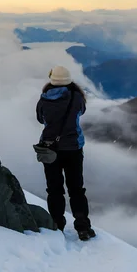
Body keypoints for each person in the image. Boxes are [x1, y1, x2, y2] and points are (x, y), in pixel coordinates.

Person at [35, 65, 96, 241]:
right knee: (76, 189)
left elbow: (40, 119)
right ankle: (83, 227)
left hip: (50, 149)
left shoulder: (44, 99)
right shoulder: (76, 97)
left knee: (54, 190)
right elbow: (81, 111)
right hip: (73, 148)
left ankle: (57, 225)